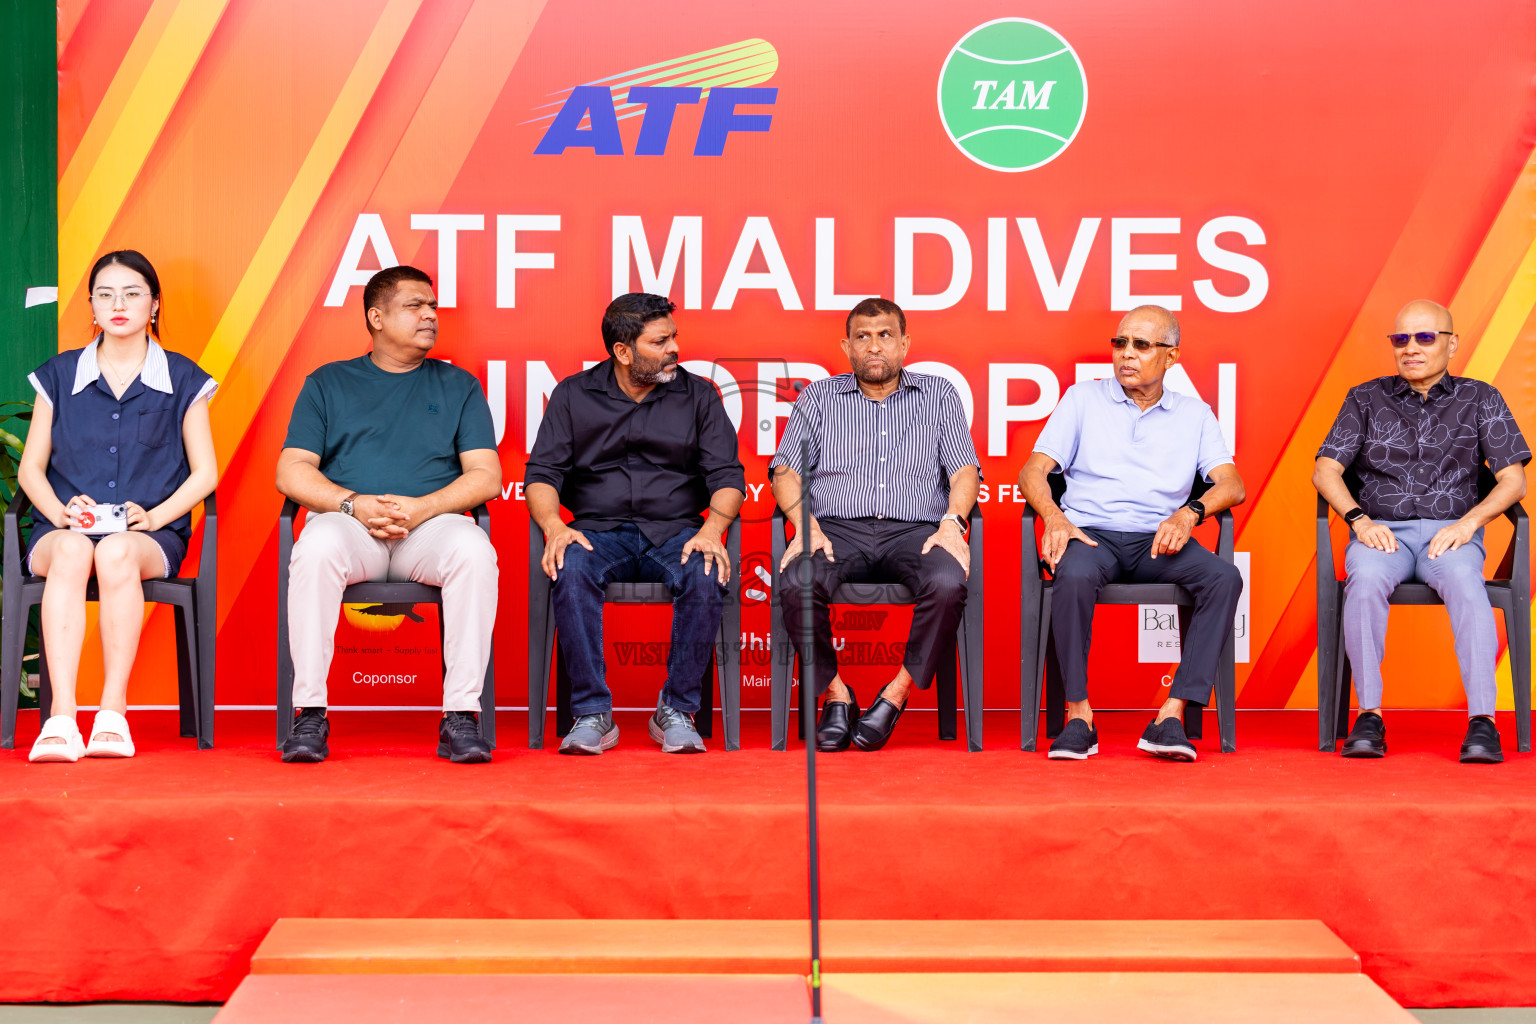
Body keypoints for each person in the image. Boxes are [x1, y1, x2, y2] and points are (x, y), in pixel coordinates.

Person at [275, 266, 500, 764]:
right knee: (313, 549)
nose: (430, 315)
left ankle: (461, 716)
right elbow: (291, 471)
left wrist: (423, 508)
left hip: (431, 528)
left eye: (433, 306)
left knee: (474, 550)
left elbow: (485, 474)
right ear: (376, 317)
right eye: (415, 306)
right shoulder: (328, 382)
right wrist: (353, 503)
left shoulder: (458, 385)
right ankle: (309, 713)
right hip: (351, 524)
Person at [1019, 305, 1245, 762]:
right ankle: (1079, 716)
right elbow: (1032, 473)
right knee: (1074, 576)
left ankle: (1171, 714)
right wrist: (1056, 518)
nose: (1126, 354)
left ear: (1172, 355)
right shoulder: (1082, 399)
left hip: (1158, 541)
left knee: (1225, 577)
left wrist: (1188, 514)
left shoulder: (1194, 414)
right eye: (1120, 343)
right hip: (1091, 536)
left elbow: (1233, 485)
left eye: (1141, 345)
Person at [19, 250, 218, 762]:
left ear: (154, 304)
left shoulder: (183, 378)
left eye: (133, 293)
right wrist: (60, 511)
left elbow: (205, 474)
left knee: (115, 553)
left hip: (147, 535)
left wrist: (155, 516)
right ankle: (62, 716)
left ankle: (112, 712)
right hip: (61, 530)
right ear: (92, 306)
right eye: (105, 294)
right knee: (70, 551)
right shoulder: (60, 375)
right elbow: (31, 470)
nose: (119, 304)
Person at [526, 292, 745, 755]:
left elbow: (728, 478)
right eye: (660, 341)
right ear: (623, 352)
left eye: (673, 338)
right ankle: (592, 713)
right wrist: (554, 526)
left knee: (706, 568)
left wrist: (711, 531)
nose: (674, 349)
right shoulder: (573, 394)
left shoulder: (698, 394)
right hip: (598, 532)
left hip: (676, 533)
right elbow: (542, 476)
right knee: (570, 565)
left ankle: (677, 710)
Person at [1314, 299, 1529, 763]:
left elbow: (1514, 480)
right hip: (1381, 534)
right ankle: (1368, 715)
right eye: (1401, 339)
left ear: (1453, 344)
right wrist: (1358, 520)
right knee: (1365, 582)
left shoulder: (1481, 398)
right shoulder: (1364, 398)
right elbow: (1325, 470)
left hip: (1450, 535)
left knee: (1467, 587)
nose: (1411, 348)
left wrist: (1469, 523)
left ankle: (1483, 722)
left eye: (1425, 337)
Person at [771, 297, 980, 753]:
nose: (874, 346)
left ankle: (896, 693)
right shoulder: (818, 397)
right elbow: (784, 470)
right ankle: (836, 695)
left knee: (948, 582)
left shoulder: (939, 394)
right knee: (796, 582)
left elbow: (964, 470)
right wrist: (806, 526)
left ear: (905, 342)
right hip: (836, 529)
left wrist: (951, 523)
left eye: (885, 335)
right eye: (862, 337)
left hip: (916, 530)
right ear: (846, 345)